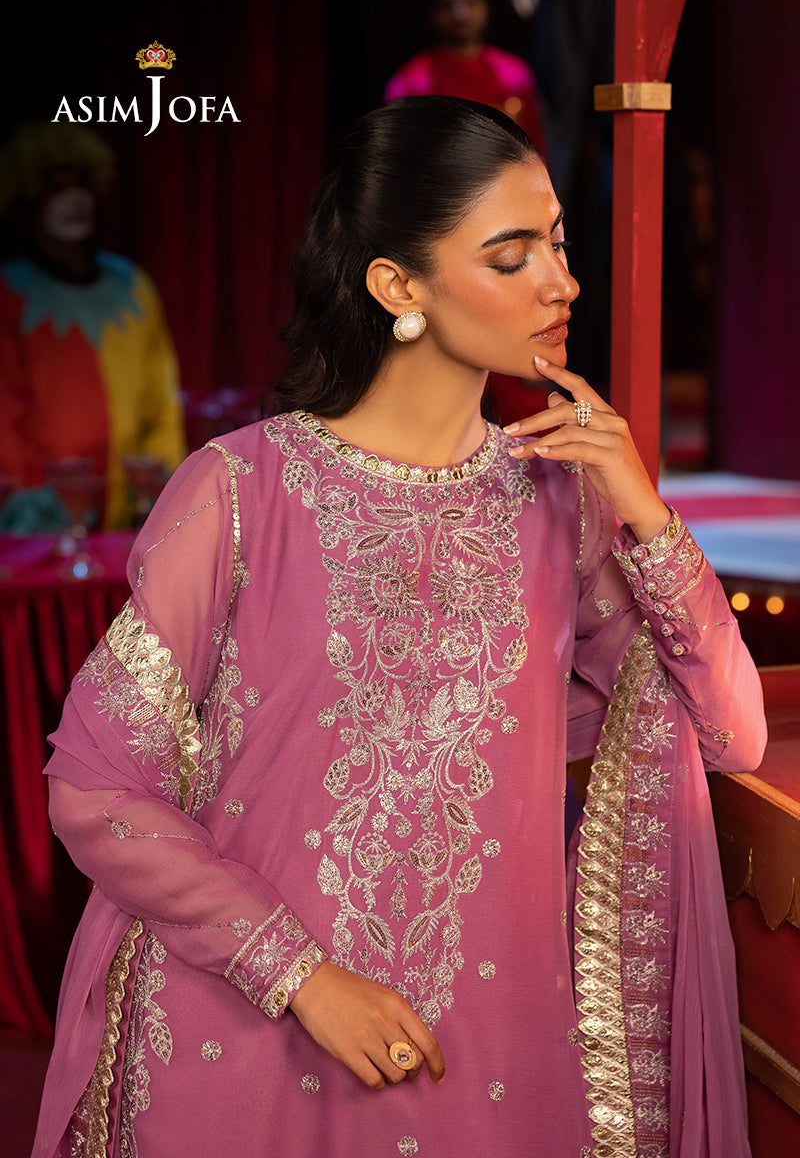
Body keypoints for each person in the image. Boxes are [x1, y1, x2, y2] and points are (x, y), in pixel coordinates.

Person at [32, 96, 764, 1157]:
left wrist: (644, 512)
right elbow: (96, 784)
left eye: (558, 244)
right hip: (246, 1027)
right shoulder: (240, 492)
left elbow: (730, 730)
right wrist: (301, 976)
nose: (560, 282)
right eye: (511, 255)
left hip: (487, 1055)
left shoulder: (562, 504)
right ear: (397, 286)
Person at [0, 123, 186, 531]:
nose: (75, 199)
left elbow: (162, 400)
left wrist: (162, 489)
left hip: (130, 513)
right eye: (56, 188)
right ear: (27, 199)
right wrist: (33, 505)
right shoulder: (10, 293)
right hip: (39, 518)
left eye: (82, 185)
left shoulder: (133, 285)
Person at [384, 0, 547, 155]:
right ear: (433, 13)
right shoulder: (411, 82)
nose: (460, 15)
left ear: (486, 8)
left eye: (470, 3)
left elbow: (534, 144)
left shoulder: (514, 73)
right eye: (448, 6)